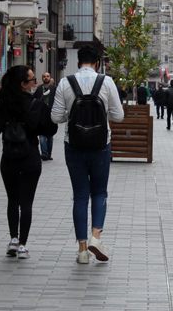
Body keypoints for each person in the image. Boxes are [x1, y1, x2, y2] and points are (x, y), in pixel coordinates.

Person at [51, 46, 124, 264]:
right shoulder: (106, 82)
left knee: (80, 195)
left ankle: (82, 250)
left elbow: (55, 117)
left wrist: (71, 114)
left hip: (73, 145)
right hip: (101, 144)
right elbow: (118, 116)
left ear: (78, 62)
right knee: (99, 193)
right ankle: (96, 237)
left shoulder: (65, 82)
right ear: (97, 63)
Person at [0, 65, 58, 259]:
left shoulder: (4, 102)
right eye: (31, 80)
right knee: (26, 202)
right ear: (22, 84)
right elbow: (50, 129)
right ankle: (22, 245)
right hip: (30, 157)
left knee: (12, 199)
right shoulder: (35, 104)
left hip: (8, 156)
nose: (34, 82)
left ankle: (13, 238)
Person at [34, 72, 57, 161]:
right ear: (42, 78)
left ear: (50, 77)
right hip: (41, 115)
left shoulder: (54, 89)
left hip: (51, 115)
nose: (46, 78)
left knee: (50, 136)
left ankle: (48, 154)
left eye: (47, 76)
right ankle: (44, 153)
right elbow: (34, 100)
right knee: (42, 135)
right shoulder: (39, 89)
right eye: (44, 76)